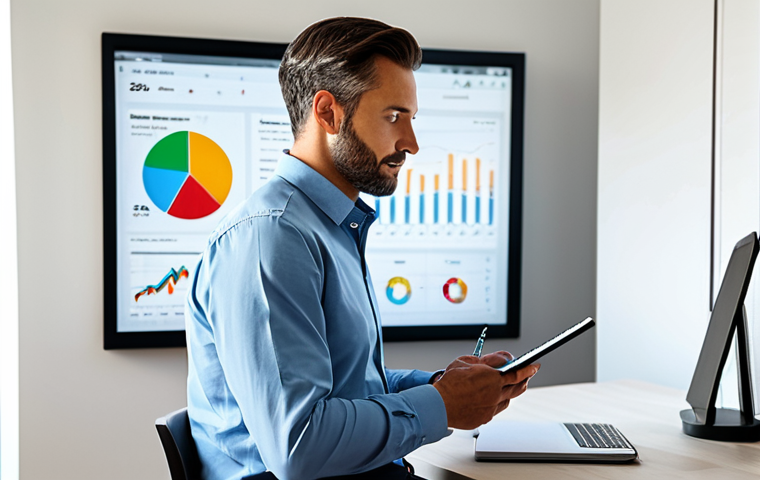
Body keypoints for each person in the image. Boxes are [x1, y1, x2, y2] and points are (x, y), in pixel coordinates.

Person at [185, 17, 539, 480]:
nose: (411, 143)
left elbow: (347, 388)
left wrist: (440, 386)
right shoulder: (272, 236)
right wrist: (442, 405)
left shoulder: (328, 227)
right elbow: (299, 445)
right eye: (394, 117)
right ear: (329, 112)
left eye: (412, 120)